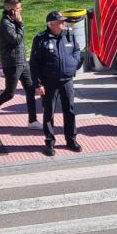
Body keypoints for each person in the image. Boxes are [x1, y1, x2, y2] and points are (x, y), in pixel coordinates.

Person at [0, 0, 40, 129]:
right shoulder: (5, 24)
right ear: (11, 10)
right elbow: (16, 40)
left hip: (22, 61)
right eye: (18, 9)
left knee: (30, 89)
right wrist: (20, 25)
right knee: (9, 94)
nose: (21, 11)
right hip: (12, 63)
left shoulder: (13, 22)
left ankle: (32, 120)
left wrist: (18, 24)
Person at [30, 11, 83, 155]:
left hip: (67, 80)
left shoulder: (69, 35)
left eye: (64, 21)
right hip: (49, 82)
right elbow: (34, 64)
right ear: (51, 24)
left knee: (70, 111)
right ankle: (49, 142)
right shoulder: (41, 39)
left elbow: (77, 51)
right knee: (49, 113)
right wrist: (38, 84)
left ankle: (71, 139)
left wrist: (74, 63)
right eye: (60, 22)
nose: (64, 24)